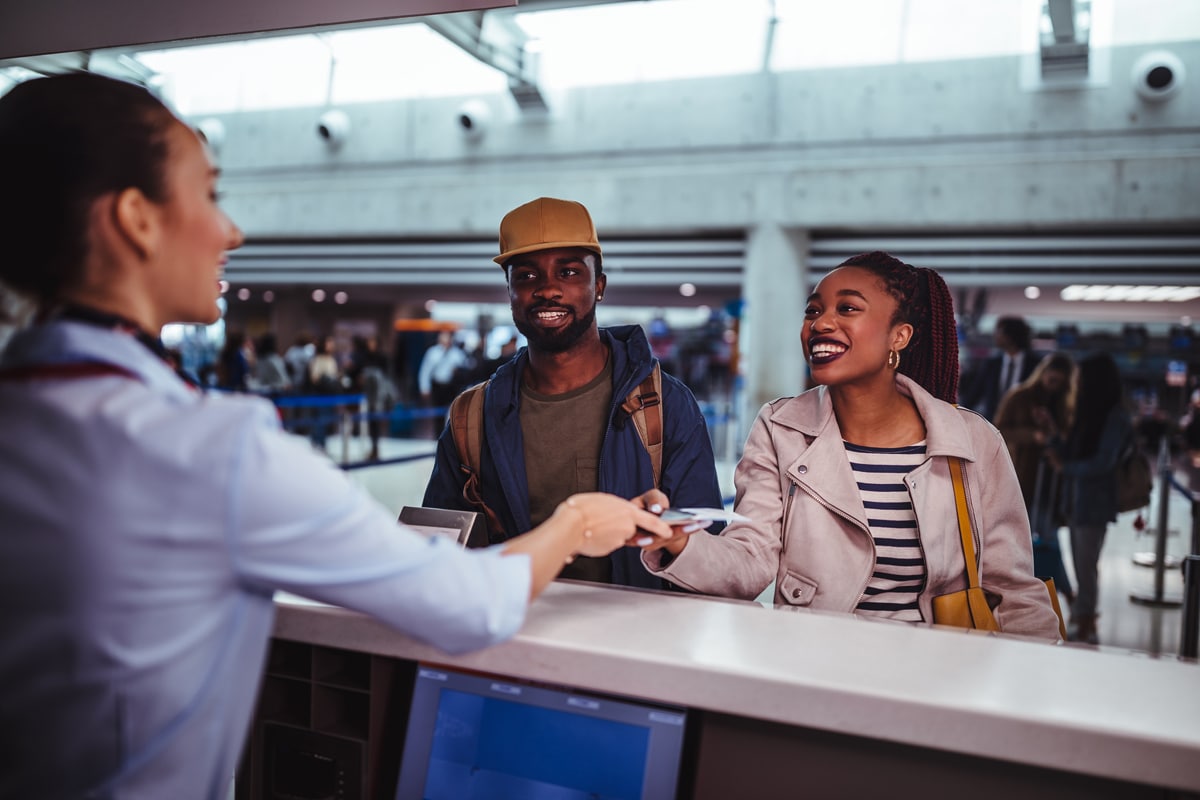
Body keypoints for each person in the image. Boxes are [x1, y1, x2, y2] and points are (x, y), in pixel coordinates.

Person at [0, 72, 672, 799]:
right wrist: (576, 520)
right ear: (136, 218)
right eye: (210, 194)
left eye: (569, 271)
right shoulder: (208, 450)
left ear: (598, 284)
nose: (232, 231)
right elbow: (465, 599)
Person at [639, 251, 1061, 639]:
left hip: (939, 675)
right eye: (814, 310)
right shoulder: (780, 427)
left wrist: (1034, 686)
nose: (821, 323)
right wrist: (678, 541)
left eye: (848, 308)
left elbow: (1013, 588)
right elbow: (752, 559)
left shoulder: (972, 441)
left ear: (900, 336)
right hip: (814, 663)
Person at [423, 196, 724, 588]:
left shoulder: (665, 404)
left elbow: (707, 555)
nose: (548, 289)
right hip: (514, 632)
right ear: (510, 290)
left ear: (598, 285)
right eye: (527, 276)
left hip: (635, 635)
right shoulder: (473, 415)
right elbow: (441, 544)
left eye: (568, 272)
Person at [1045, 352, 1135, 645]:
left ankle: (1085, 620)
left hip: (1094, 503)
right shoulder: (1086, 412)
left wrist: (1066, 468)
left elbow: (1104, 462)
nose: (1077, 383)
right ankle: (1082, 617)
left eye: (1082, 377)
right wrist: (1053, 434)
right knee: (1082, 564)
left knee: (1086, 566)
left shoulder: (1115, 417)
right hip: (1075, 500)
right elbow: (1072, 451)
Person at [994, 352, 1076, 603]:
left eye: (1059, 382)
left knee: (1047, 539)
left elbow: (1067, 437)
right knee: (1025, 537)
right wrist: (1033, 435)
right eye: (1051, 380)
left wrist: (1055, 436)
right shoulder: (1019, 397)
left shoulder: (1063, 403)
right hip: (1021, 477)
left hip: (1051, 483)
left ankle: (1057, 590)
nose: (1054, 386)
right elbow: (998, 429)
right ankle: (1050, 590)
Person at [960, 315, 1039, 422]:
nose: (995, 336)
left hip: (1023, 427)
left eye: (999, 332)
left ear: (1011, 335)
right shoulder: (991, 364)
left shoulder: (1035, 365)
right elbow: (974, 395)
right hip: (994, 425)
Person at [346, 334, 396, 460]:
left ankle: (375, 448)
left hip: (379, 397)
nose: (371, 345)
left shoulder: (382, 358)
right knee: (368, 423)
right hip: (366, 396)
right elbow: (355, 374)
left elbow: (387, 377)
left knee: (376, 423)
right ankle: (372, 448)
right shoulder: (364, 358)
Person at [417, 329, 470, 434]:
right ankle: (437, 436)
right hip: (438, 386)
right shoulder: (433, 352)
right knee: (438, 415)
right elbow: (425, 371)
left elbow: (465, 368)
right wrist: (424, 388)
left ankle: (449, 436)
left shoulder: (456, 353)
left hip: (451, 387)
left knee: (451, 412)